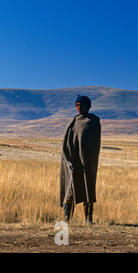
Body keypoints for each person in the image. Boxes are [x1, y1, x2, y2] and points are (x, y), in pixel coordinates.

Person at [60, 95, 101, 224]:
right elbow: (66, 144)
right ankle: (67, 219)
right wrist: (68, 160)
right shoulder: (73, 122)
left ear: (87, 106)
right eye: (76, 105)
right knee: (70, 190)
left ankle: (88, 219)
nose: (78, 107)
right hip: (73, 162)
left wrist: (88, 159)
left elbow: (94, 144)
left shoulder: (93, 121)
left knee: (88, 188)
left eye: (81, 105)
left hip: (88, 163)